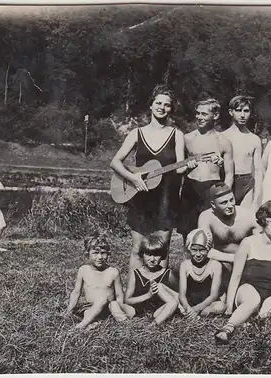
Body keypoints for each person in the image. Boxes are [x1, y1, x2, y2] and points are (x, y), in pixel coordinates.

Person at [110, 85, 193, 270]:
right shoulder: (137, 133)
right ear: (151, 105)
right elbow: (115, 162)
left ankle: (160, 293)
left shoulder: (177, 135)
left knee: (162, 249)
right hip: (141, 195)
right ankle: (134, 293)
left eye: (167, 105)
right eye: (158, 103)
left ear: (172, 109)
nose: (162, 107)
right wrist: (132, 178)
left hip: (166, 198)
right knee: (138, 248)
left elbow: (179, 168)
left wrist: (188, 166)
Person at [214, 201, 271, 344]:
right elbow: (236, 276)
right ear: (263, 221)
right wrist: (229, 307)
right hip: (247, 290)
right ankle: (228, 328)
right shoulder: (248, 243)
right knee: (253, 300)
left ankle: (256, 318)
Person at [178, 98, 234, 241]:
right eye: (197, 113)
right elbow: (178, 167)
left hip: (212, 187)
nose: (199, 117)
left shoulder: (224, 142)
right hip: (190, 186)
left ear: (215, 116)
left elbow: (229, 174)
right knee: (188, 231)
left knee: (210, 231)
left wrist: (224, 195)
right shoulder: (188, 138)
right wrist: (186, 165)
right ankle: (188, 262)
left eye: (204, 114)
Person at [66, 232, 131, 330]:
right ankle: (83, 325)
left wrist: (118, 307)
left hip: (107, 309)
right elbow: (76, 292)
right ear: (87, 254)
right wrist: (68, 312)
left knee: (112, 304)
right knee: (97, 304)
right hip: (89, 307)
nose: (100, 257)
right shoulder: (83, 270)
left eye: (103, 253)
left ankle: (123, 325)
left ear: (108, 254)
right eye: (95, 253)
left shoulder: (113, 272)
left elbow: (119, 295)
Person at [197, 182, 261, 271]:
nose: (230, 205)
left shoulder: (248, 216)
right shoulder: (206, 218)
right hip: (220, 262)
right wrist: (235, 258)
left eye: (231, 200)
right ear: (213, 205)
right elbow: (205, 250)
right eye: (224, 203)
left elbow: (261, 246)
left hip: (247, 263)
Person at [124, 234, 179, 325]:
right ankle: (153, 324)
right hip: (140, 313)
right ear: (142, 254)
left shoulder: (167, 274)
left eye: (156, 255)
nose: (152, 259)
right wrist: (148, 295)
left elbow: (178, 294)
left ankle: (154, 325)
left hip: (162, 311)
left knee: (173, 303)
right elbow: (127, 300)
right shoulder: (136, 274)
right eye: (148, 255)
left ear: (163, 256)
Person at [222, 96, 263, 209]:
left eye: (246, 111)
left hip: (247, 184)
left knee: (244, 219)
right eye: (238, 110)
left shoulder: (254, 139)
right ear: (231, 112)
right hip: (227, 181)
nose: (242, 115)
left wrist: (257, 198)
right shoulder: (223, 137)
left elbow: (259, 170)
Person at [179, 229, 226, 318]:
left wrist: (197, 308)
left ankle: (196, 313)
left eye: (202, 250)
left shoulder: (215, 265)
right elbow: (182, 294)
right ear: (189, 248)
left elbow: (213, 295)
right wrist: (188, 308)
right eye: (194, 250)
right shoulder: (185, 265)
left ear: (208, 249)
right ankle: (192, 313)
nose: (198, 254)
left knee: (221, 306)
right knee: (174, 298)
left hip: (207, 304)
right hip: (189, 302)